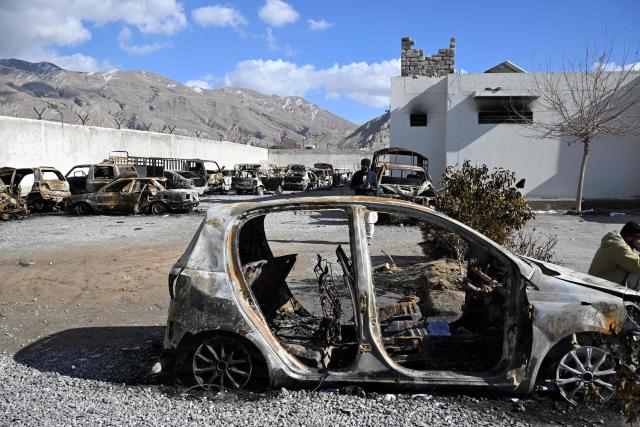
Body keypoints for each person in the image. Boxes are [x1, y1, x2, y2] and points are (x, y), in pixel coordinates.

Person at [588, 221, 640, 289]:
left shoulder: (616, 243)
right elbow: (637, 266)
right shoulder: (618, 246)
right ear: (630, 237)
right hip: (599, 285)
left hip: (600, 280)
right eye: (639, 239)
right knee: (637, 273)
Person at [350, 158, 378, 242]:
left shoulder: (373, 175)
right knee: (358, 218)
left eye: (365, 166)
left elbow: (376, 187)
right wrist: (359, 187)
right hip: (359, 199)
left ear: (368, 166)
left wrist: (370, 187)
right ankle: (359, 237)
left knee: (369, 219)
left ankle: (369, 237)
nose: (363, 167)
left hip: (369, 199)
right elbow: (351, 186)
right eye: (362, 165)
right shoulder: (357, 174)